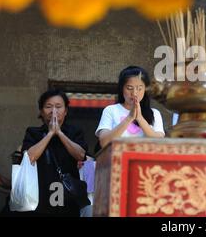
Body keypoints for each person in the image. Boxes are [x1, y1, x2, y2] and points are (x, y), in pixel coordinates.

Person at [18, 89, 88, 217]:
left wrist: (59, 133)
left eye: (58, 106)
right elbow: (29, 157)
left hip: (67, 196)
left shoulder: (74, 132)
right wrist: (50, 133)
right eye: (48, 107)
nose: (53, 111)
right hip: (40, 195)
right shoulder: (33, 133)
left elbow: (80, 155)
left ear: (65, 111)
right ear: (41, 111)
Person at [96, 66, 165, 148]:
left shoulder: (154, 113)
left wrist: (139, 118)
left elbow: (160, 144)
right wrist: (129, 118)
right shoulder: (111, 110)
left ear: (145, 90)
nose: (134, 93)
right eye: (129, 88)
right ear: (122, 89)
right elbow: (104, 142)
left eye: (139, 88)